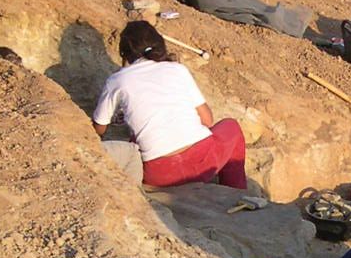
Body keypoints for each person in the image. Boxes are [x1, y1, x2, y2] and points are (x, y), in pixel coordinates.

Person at [91, 20, 248, 190]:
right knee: (231, 126)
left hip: (159, 174)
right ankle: (235, 191)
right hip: (202, 163)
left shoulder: (116, 80)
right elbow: (207, 120)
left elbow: (99, 128)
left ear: (124, 52)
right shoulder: (177, 70)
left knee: (138, 138)